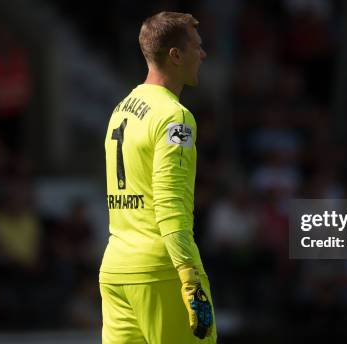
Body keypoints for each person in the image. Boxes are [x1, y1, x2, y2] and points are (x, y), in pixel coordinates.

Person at [99, 11, 215, 344]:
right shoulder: (175, 118)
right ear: (176, 55)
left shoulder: (121, 108)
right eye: (197, 46)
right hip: (161, 274)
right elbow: (170, 205)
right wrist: (190, 279)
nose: (203, 54)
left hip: (116, 271)